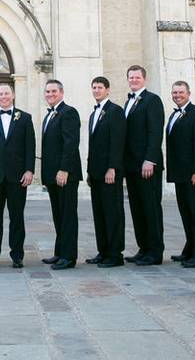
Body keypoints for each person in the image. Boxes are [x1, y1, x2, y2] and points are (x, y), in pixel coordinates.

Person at [0, 83, 35, 268]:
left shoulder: (25, 118)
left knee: (17, 217)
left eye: (6, 93)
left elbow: (30, 146)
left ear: (13, 95)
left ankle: (17, 255)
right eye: (0, 94)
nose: (3, 96)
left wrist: (29, 170)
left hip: (17, 177)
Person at [166, 81, 195, 268]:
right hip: (180, 175)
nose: (177, 95)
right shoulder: (174, 115)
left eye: (181, 92)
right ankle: (191, 249)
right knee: (187, 214)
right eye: (175, 92)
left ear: (189, 93)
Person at [123, 66, 165, 266]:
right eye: (131, 77)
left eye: (137, 77)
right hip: (131, 166)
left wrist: (150, 159)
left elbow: (155, 132)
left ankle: (155, 251)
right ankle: (143, 248)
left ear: (144, 79)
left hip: (147, 165)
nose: (134, 80)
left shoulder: (152, 100)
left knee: (150, 208)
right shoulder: (128, 102)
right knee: (137, 208)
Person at [40, 79, 82, 270]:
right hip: (52, 175)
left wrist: (64, 169)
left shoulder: (69, 112)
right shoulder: (49, 115)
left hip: (65, 175)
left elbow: (71, 143)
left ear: (62, 93)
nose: (50, 94)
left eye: (54, 91)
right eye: (47, 91)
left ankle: (69, 256)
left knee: (67, 216)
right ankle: (60, 252)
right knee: (58, 215)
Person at [85, 76, 126, 268]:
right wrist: (89, 171)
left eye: (100, 87)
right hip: (96, 173)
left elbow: (117, 142)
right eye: (94, 87)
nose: (97, 90)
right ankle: (103, 251)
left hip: (110, 173)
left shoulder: (116, 111)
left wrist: (113, 167)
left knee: (112, 213)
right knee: (99, 213)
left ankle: (115, 254)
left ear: (108, 90)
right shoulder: (94, 114)